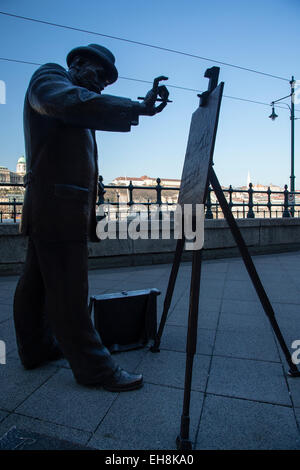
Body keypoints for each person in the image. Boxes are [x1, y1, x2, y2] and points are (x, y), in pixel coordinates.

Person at [13, 44, 169, 391]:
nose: (102, 85)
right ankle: (95, 369)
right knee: (70, 290)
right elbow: (66, 102)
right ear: (79, 64)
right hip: (57, 206)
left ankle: (34, 348)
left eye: (108, 82)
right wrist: (136, 107)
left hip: (57, 205)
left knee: (36, 282)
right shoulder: (49, 78)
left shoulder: (74, 101)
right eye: (100, 75)